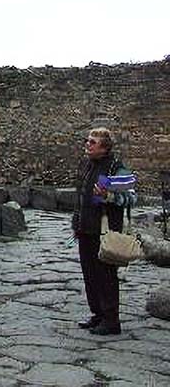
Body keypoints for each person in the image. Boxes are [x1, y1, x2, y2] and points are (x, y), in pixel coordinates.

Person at [71, 127, 137, 335]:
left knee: (106, 275)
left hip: (104, 229)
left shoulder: (116, 168)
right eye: (87, 141)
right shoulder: (86, 165)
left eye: (93, 142)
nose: (88, 145)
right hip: (85, 228)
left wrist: (109, 195)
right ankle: (98, 314)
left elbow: (131, 197)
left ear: (105, 148)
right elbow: (80, 196)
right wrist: (76, 223)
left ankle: (111, 320)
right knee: (90, 275)